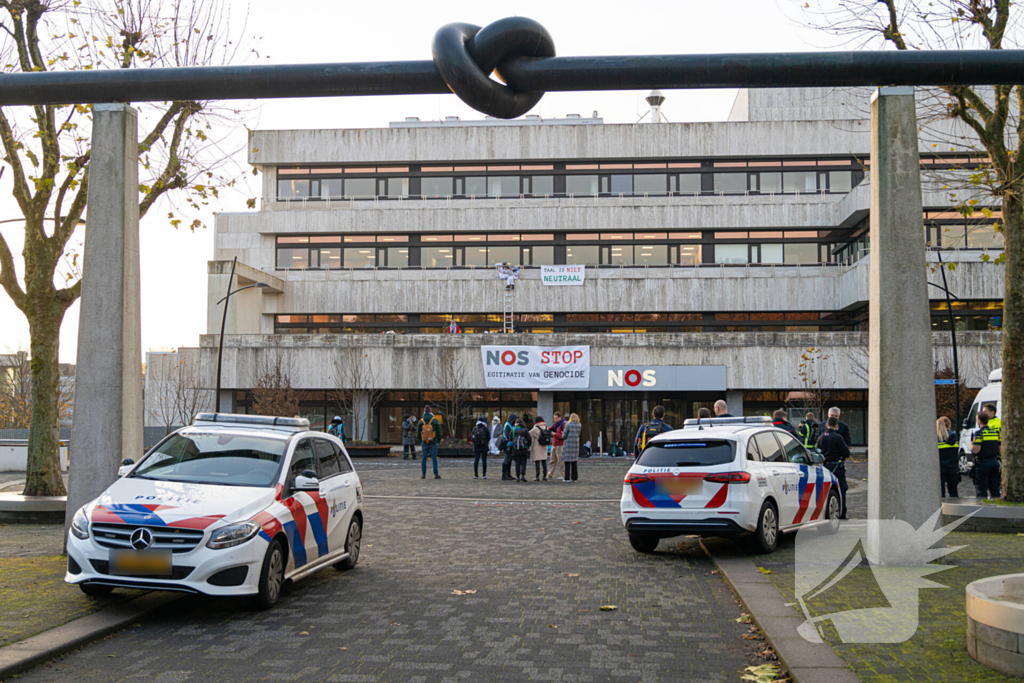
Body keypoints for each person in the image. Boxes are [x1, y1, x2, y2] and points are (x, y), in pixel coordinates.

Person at [817, 416, 850, 519]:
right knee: (841, 489)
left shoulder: (821, 437)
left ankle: (827, 512)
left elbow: (818, 451)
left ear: (826, 425)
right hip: (837, 466)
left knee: (826, 490)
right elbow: (846, 453)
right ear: (837, 426)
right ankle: (842, 513)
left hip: (826, 466)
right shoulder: (838, 437)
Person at [971, 411, 1001, 499]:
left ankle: (982, 510)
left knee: (982, 490)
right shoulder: (995, 433)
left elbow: (976, 450)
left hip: (983, 463)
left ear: (979, 421)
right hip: (995, 462)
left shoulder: (979, 433)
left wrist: (972, 443)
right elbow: (999, 447)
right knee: (995, 489)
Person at [937, 416, 960, 498]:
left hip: (940, 468)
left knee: (940, 494)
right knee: (954, 492)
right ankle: (956, 509)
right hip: (953, 468)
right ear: (949, 425)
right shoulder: (955, 437)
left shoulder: (937, 439)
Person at [417, 405, 442, 480]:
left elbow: (418, 433)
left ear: (424, 411)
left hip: (424, 442)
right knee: (434, 457)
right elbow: (439, 432)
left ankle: (423, 474)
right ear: (431, 411)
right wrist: (438, 440)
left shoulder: (421, 421)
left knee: (424, 457)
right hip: (433, 442)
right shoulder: (435, 420)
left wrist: (421, 440)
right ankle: (436, 474)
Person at [561, 413, 582, 482]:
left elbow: (564, 435)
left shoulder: (568, 425)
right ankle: (574, 477)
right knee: (574, 462)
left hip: (568, 445)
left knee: (567, 462)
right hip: (575, 445)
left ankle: (567, 478)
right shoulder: (579, 425)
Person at [529, 416, 551, 481]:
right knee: (544, 462)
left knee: (537, 462)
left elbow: (529, 433)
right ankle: (544, 476)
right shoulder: (546, 427)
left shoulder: (536, 428)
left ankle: (537, 476)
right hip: (544, 447)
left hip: (537, 447)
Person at [511, 418, 532, 482]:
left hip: (515, 449)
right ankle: (522, 475)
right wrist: (528, 446)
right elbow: (529, 439)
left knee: (517, 462)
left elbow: (510, 438)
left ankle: (517, 476)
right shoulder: (525, 430)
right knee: (523, 462)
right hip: (523, 448)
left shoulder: (513, 430)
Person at [500, 412, 519, 481]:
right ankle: (504, 474)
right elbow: (508, 435)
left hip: (510, 444)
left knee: (509, 459)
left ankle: (508, 474)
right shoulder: (508, 425)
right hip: (508, 445)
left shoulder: (510, 425)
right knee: (507, 459)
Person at [471, 415, 490, 479]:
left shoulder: (475, 428)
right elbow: (489, 437)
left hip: (476, 447)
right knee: (484, 460)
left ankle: (475, 474)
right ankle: (484, 474)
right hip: (484, 446)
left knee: (476, 460)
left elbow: (472, 438)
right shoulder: (485, 429)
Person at [549, 411, 566, 480]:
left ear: (560, 417)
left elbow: (563, 436)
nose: (555, 420)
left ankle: (563, 474)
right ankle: (550, 474)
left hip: (560, 444)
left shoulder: (563, 425)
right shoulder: (555, 424)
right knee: (552, 460)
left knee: (561, 461)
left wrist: (555, 434)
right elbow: (549, 429)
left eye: (556, 418)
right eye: (554, 418)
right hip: (554, 444)